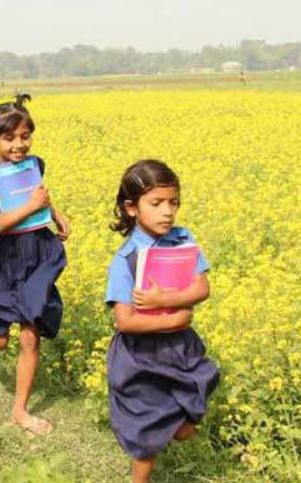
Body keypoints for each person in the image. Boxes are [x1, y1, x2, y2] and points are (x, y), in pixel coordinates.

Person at [0, 95, 71, 434]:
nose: (19, 144)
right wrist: (35, 205)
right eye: (10, 138)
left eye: (25, 136)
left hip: (36, 256)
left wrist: (55, 214)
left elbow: (37, 197)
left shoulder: (35, 163)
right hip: (0, 258)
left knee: (31, 336)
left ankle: (20, 411)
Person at [104, 159, 219, 483]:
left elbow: (202, 287)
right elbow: (125, 322)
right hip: (140, 356)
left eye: (173, 202)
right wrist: (176, 319)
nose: (167, 212)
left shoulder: (183, 240)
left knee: (189, 415)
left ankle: (176, 429)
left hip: (180, 349)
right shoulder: (126, 259)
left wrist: (163, 301)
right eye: (156, 203)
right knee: (147, 435)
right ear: (131, 208)